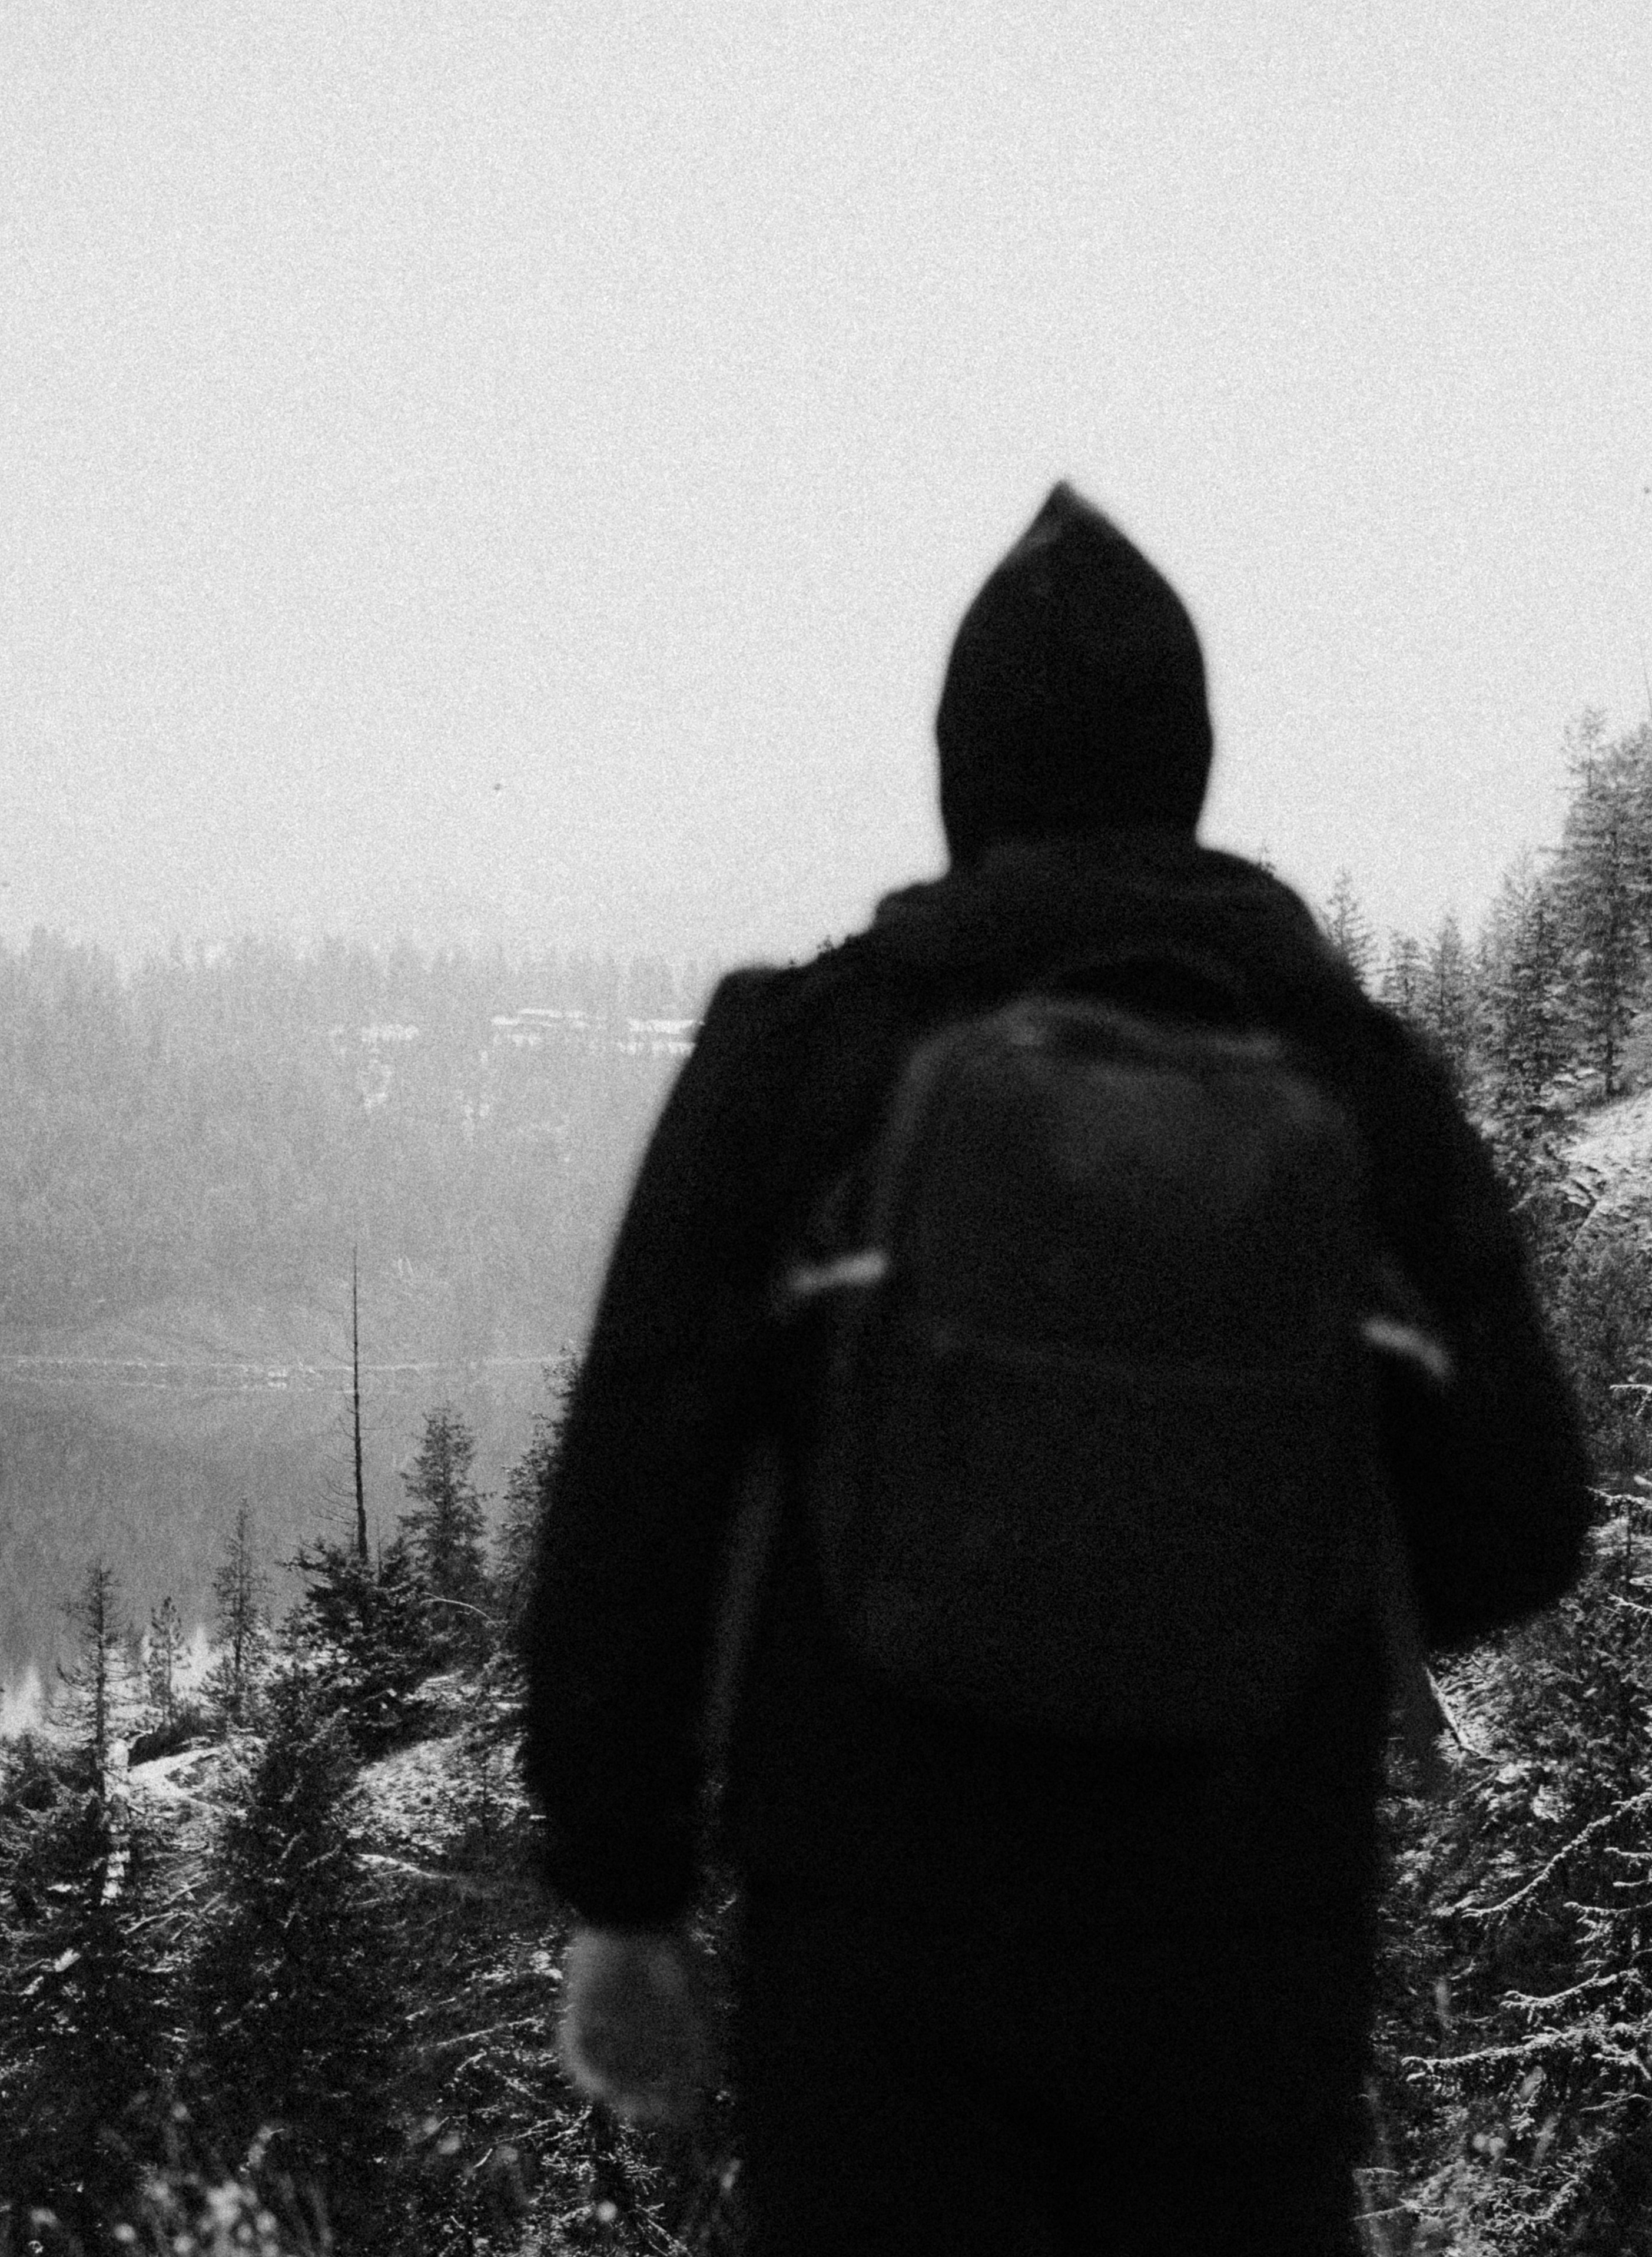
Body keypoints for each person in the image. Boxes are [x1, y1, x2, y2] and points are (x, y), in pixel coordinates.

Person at [521, 483, 1591, 2255]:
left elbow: (640, 1483)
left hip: (876, 1938)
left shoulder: (809, 1056)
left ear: (963, 780)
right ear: (1189, 768)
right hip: (1244, 1944)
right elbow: (1521, 1520)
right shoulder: (1357, 1077)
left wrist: (625, 1899)